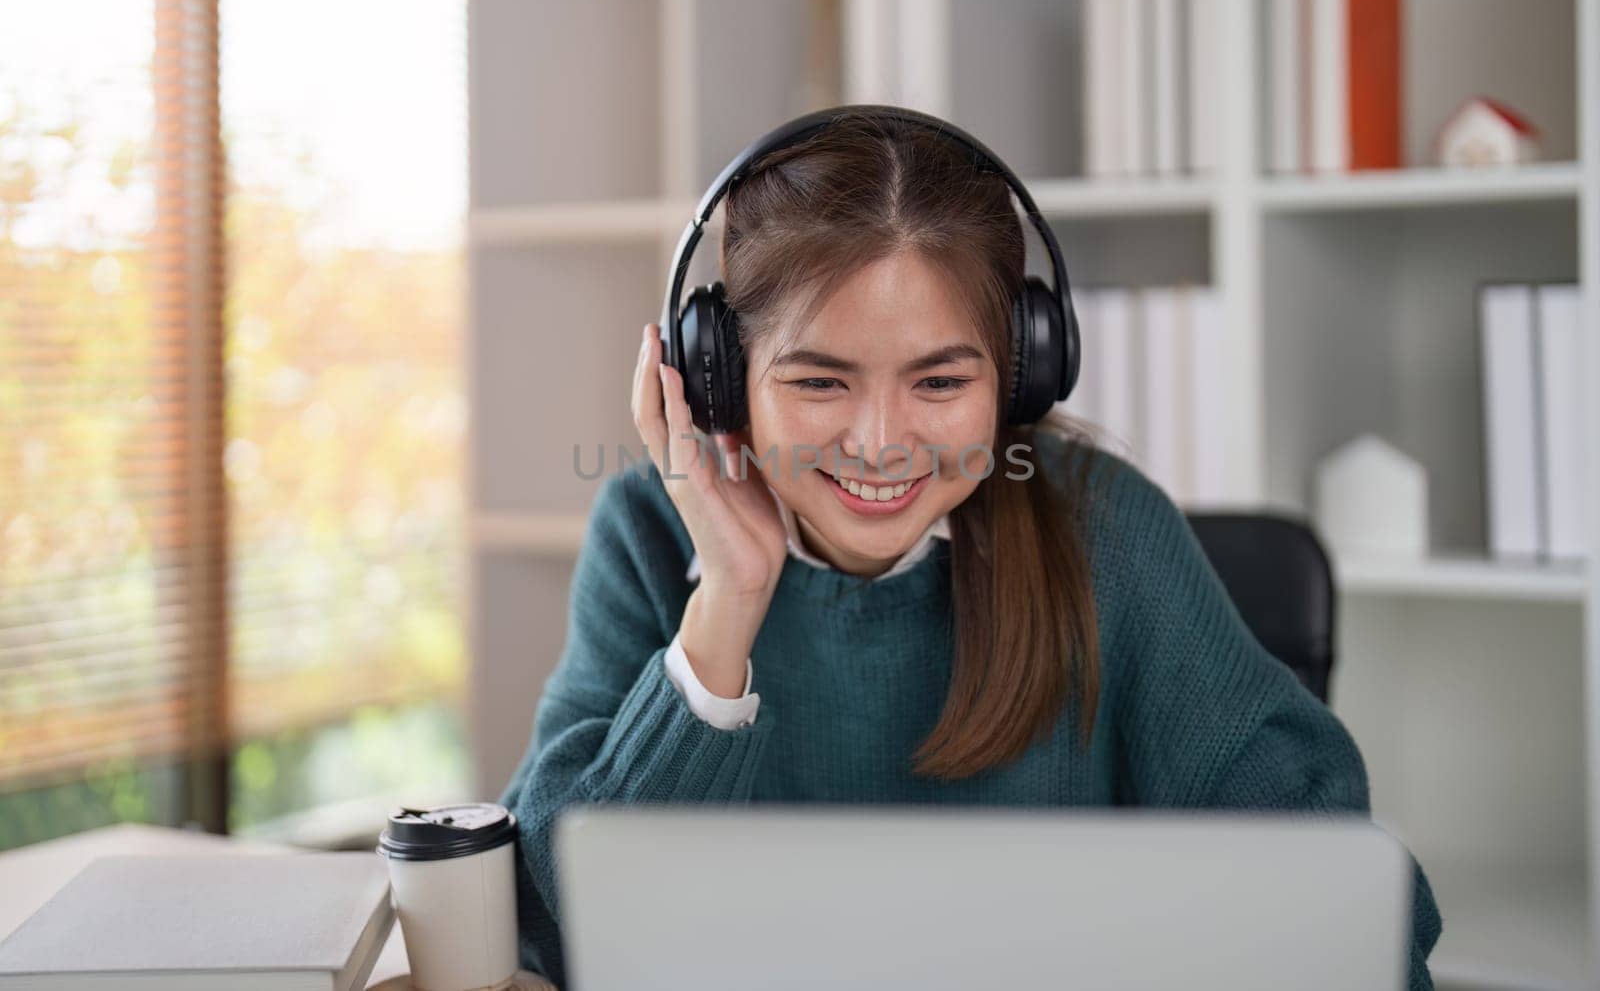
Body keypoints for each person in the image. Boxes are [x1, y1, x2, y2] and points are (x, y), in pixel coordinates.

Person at [497, 111, 1442, 990]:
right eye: (820, 380)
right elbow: (548, 917)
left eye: (939, 380)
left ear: (1021, 370)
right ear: (722, 381)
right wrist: (726, 609)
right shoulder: (653, 531)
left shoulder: (1103, 526)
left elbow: (1347, 893)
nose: (879, 441)